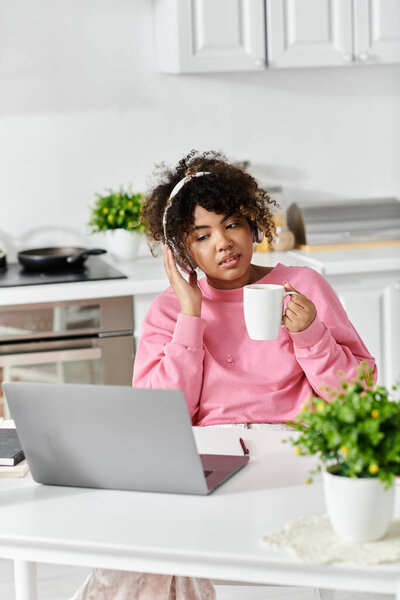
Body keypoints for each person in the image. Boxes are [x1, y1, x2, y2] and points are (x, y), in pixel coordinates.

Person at [71, 150, 376, 600]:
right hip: (206, 461)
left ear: (252, 224)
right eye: (202, 234)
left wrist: (311, 334)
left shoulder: (304, 287)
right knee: (136, 545)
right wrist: (190, 316)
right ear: (182, 249)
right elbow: (159, 416)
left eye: (231, 224)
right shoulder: (169, 311)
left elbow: (358, 398)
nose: (223, 243)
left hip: (296, 453)